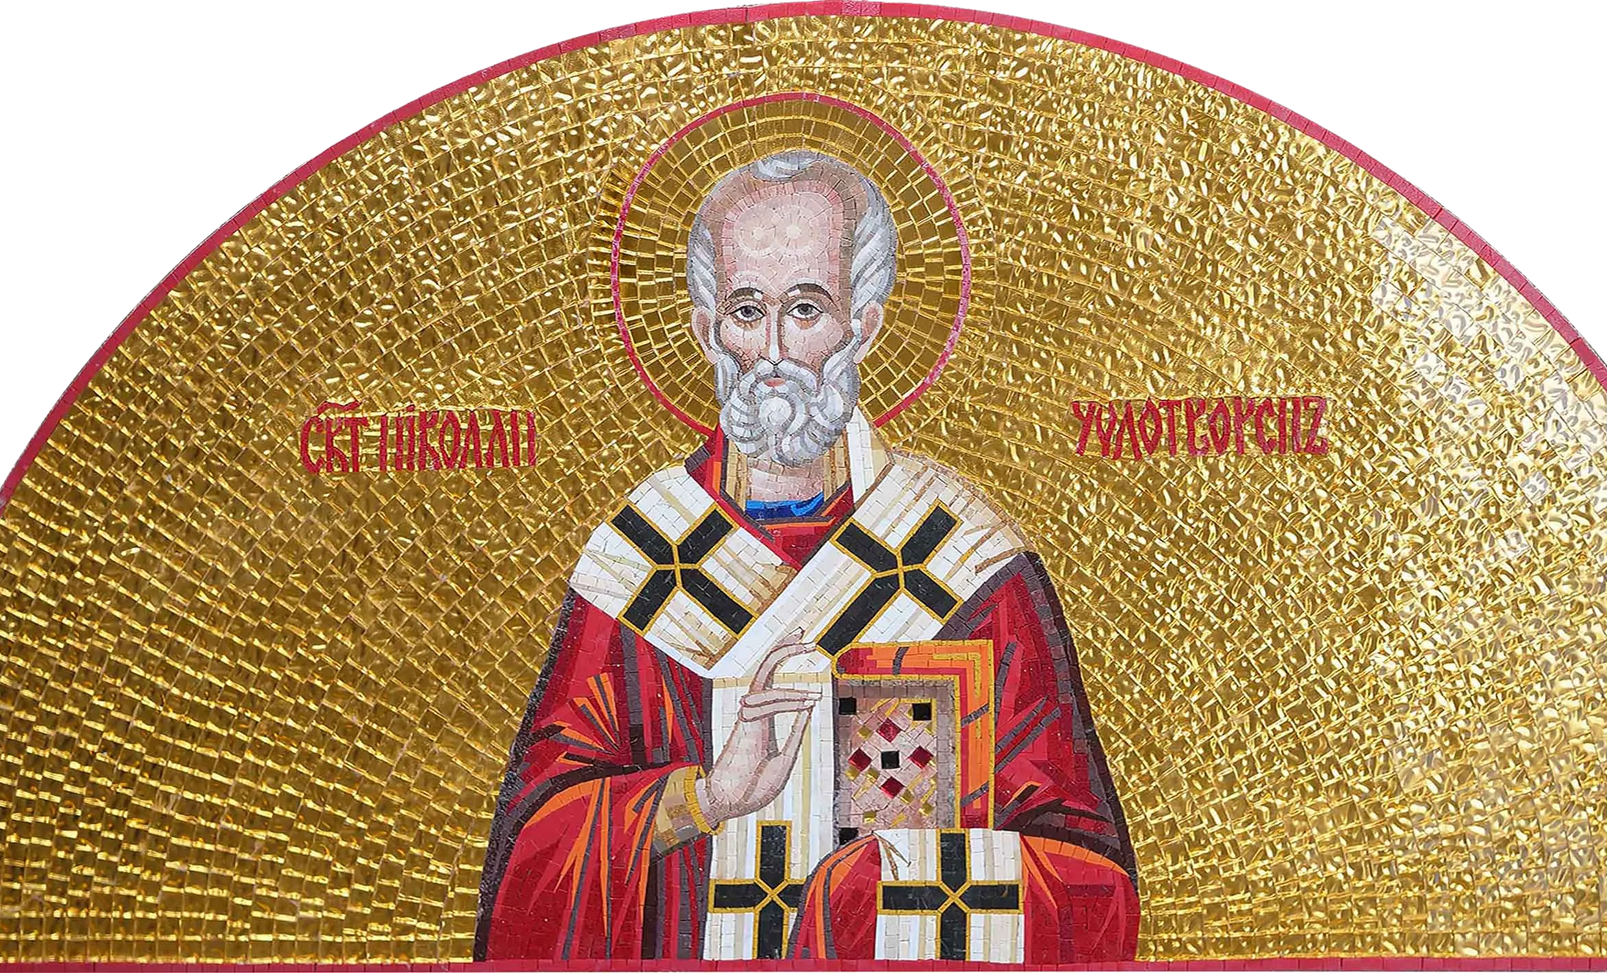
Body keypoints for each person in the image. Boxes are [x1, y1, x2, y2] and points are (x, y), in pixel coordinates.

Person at [476, 149, 1137, 963]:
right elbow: (533, 860)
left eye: (806, 308)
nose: (775, 351)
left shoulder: (962, 560)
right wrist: (704, 798)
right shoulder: (643, 559)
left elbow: (1090, 883)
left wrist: (875, 893)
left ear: (864, 324)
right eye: (747, 310)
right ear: (707, 330)